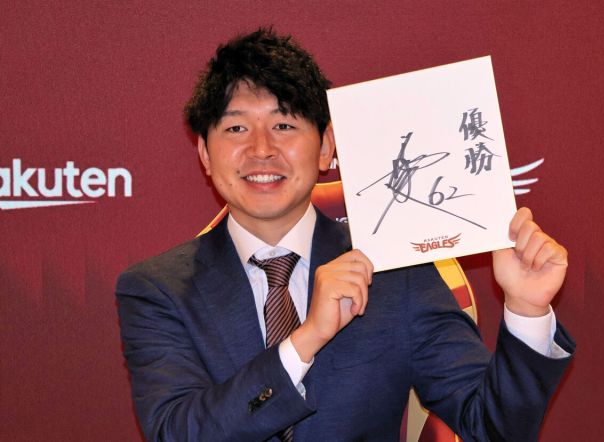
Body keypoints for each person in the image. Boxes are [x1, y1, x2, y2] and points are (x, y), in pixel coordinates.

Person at [116, 28, 574, 442]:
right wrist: (306, 339)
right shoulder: (157, 290)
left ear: (326, 147)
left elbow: (491, 428)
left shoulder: (395, 270)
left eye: (284, 125)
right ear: (205, 153)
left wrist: (527, 310)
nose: (262, 149)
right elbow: (177, 433)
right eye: (236, 127)